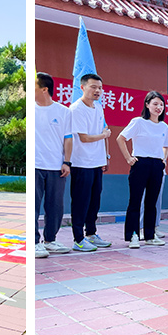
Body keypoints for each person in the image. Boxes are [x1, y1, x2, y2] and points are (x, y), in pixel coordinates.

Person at [116, 91, 168, 248]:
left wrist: (163, 160)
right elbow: (120, 138)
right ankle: (133, 235)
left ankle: (150, 235)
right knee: (135, 201)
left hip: (156, 165)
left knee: (151, 202)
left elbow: (166, 145)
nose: (158, 107)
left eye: (161, 104)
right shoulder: (138, 122)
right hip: (140, 163)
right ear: (147, 105)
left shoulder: (163, 126)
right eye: (155, 104)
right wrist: (129, 158)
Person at [69, 74, 111, 252]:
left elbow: (104, 130)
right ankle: (78, 239)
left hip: (96, 161)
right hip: (81, 162)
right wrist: (103, 136)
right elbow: (84, 137)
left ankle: (91, 234)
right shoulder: (76, 109)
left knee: (94, 201)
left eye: (100, 88)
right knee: (80, 202)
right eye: (93, 87)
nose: (97, 91)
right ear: (82, 87)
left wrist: (105, 156)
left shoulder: (98, 107)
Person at [34, 73, 72, 257]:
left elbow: (68, 138)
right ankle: (34, 242)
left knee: (55, 205)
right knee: (33, 205)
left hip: (56, 166)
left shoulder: (63, 111)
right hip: (35, 165)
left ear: (44, 89)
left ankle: (50, 240)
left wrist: (67, 162)